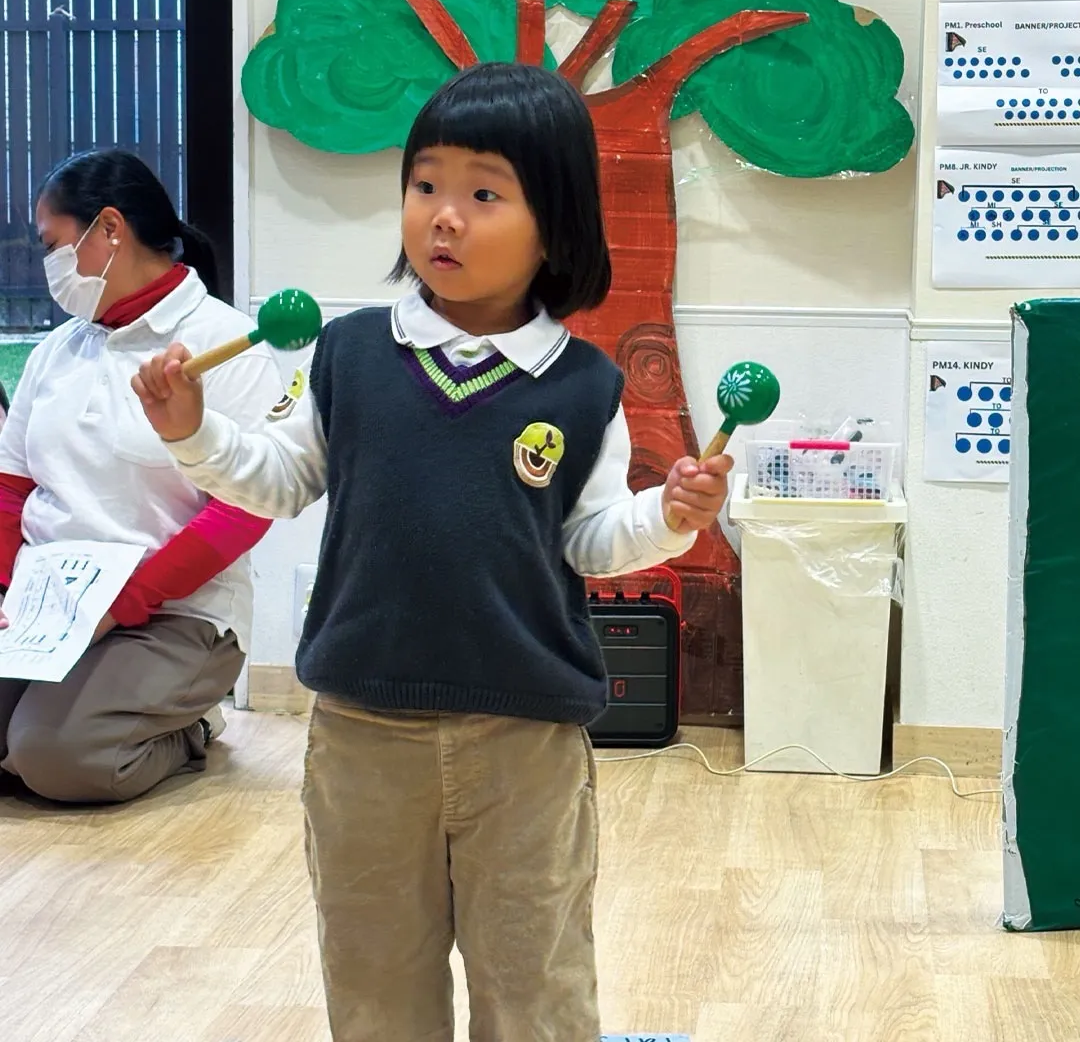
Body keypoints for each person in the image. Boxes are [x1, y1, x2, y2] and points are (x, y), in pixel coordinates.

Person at [133, 63, 733, 1041]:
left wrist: (671, 515)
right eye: (426, 186)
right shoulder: (350, 352)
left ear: (557, 226)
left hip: (526, 742)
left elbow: (589, 539)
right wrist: (193, 431)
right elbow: (280, 481)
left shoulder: (582, 385)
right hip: (364, 733)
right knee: (374, 979)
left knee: (533, 980)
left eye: (483, 194)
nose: (443, 217)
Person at [0, 150, 284, 804]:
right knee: (29, 745)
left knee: (55, 758)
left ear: (108, 229)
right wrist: (13, 589)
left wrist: (120, 604)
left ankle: (190, 727)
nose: (45, 266)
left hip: (175, 617)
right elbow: (10, 491)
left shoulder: (226, 344)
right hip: (51, 612)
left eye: (52, 244)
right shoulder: (58, 349)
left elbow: (242, 512)